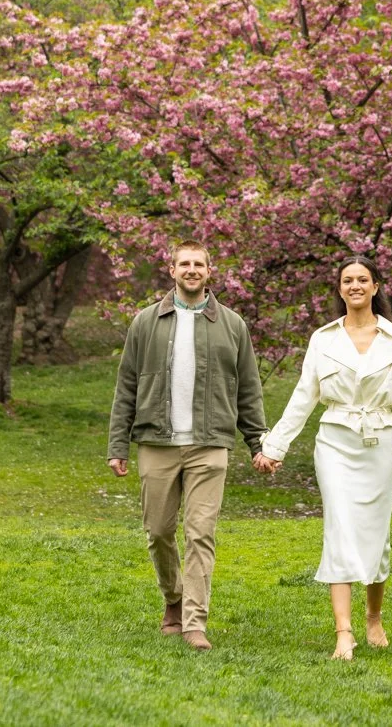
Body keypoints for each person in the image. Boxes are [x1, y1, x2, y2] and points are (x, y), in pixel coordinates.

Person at [254, 256, 392, 660]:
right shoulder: (323, 339)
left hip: (380, 443)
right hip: (334, 443)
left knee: (375, 535)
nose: (355, 285)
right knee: (339, 528)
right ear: (340, 290)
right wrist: (274, 446)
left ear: (375, 287)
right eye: (347, 280)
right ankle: (343, 632)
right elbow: (304, 396)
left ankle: (373, 617)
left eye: (363, 279)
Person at [107, 240, 267, 651]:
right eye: (185, 263)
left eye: (199, 263)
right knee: (158, 531)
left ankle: (195, 622)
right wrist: (117, 444)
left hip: (210, 444)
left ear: (209, 271)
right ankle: (173, 600)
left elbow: (248, 388)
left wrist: (257, 443)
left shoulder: (232, 325)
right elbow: (126, 384)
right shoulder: (145, 322)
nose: (192, 269)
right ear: (172, 269)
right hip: (156, 442)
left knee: (200, 534)